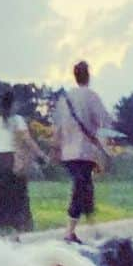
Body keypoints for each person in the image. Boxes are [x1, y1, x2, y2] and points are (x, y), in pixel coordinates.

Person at [51, 60, 110, 243]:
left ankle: (91, 228)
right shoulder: (92, 97)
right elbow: (104, 121)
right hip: (84, 151)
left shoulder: (65, 99)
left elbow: (57, 127)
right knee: (81, 188)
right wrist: (104, 149)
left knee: (85, 187)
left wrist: (55, 149)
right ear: (88, 75)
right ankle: (70, 233)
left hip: (67, 152)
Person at [0, 89, 46, 237]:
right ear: (12, 104)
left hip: (1, 161)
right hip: (15, 161)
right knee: (20, 197)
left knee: (0, 196)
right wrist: (41, 154)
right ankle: (20, 230)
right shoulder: (17, 120)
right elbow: (27, 140)